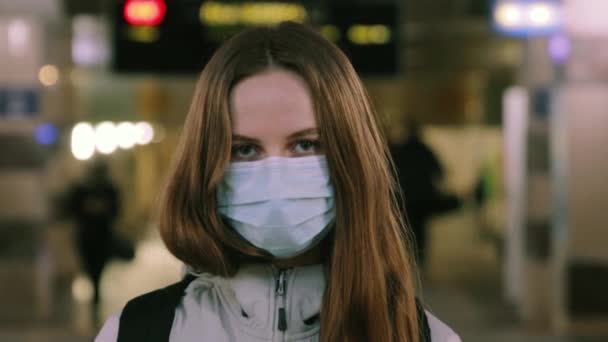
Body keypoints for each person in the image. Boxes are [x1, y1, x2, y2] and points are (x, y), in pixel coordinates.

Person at [96, 22, 461, 342]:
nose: (275, 175)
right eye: (244, 150)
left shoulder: (424, 337)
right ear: (207, 164)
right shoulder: (135, 333)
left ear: (350, 159)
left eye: (306, 144)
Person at [390, 121, 462, 269]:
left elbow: (390, 172)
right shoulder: (425, 149)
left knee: (406, 227)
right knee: (420, 230)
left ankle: (407, 258)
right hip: (423, 198)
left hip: (405, 198)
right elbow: (439, 171)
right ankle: (420, 259)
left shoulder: (399, 150)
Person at [64, 159, 120, 323]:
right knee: (90, 270)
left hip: (102, 238)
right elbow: (71, 210)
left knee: (98, 271)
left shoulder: (109, 190)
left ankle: (96, 299)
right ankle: (95, 298)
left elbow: (116, 211)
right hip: (87, 238)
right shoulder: (81, 190)